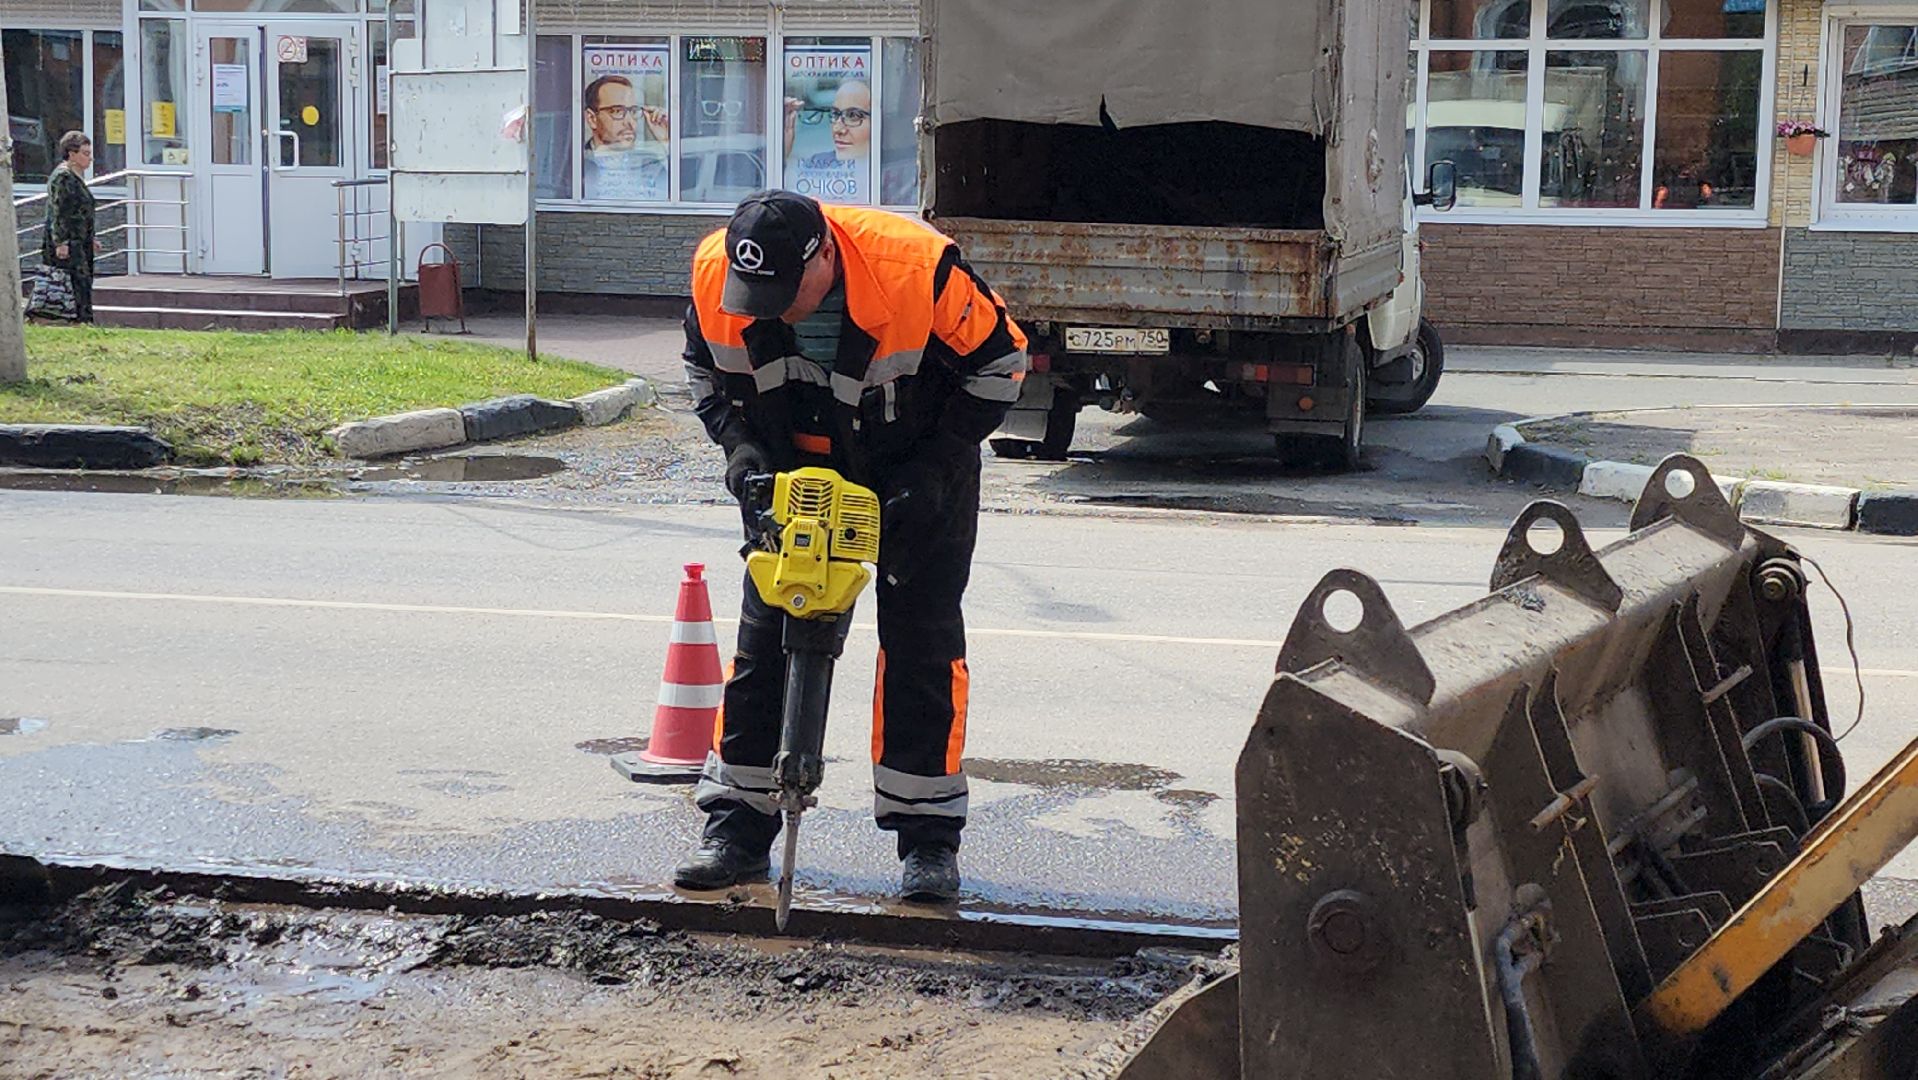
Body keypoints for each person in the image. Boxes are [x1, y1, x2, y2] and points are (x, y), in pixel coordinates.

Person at [676, 190, 1028, 904]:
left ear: (826, 255)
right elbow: (703, 376)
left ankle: (927, 842)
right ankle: (737, 831)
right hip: (787, 472)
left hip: (911, 469)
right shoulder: (717, 274)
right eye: (758, 294)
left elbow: (1003, 362)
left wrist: (934, 469)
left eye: (784, 292)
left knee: (922, 642)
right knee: (764, 640)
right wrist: (741, 453)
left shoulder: (915, 268)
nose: (768, 308)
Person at [42, 131, 100, 323]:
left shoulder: (76, 176)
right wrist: (60, 242)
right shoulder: (63, 177)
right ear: (71, 154)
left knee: (82, 282)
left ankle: (82, 320)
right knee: (75, 282)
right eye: (85, 153)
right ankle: (80, 320)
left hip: (80, 240)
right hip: (69, 242)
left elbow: (82, 212)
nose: (90, 158)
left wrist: (91, 238)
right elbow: (59, 211)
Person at [582, 74, 668, 200]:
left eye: (633, 111)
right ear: (592, 118)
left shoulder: (651, 164)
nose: (630, 122)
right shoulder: (576, 165)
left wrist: (666, 141)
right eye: (617, 111)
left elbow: (683, 195)